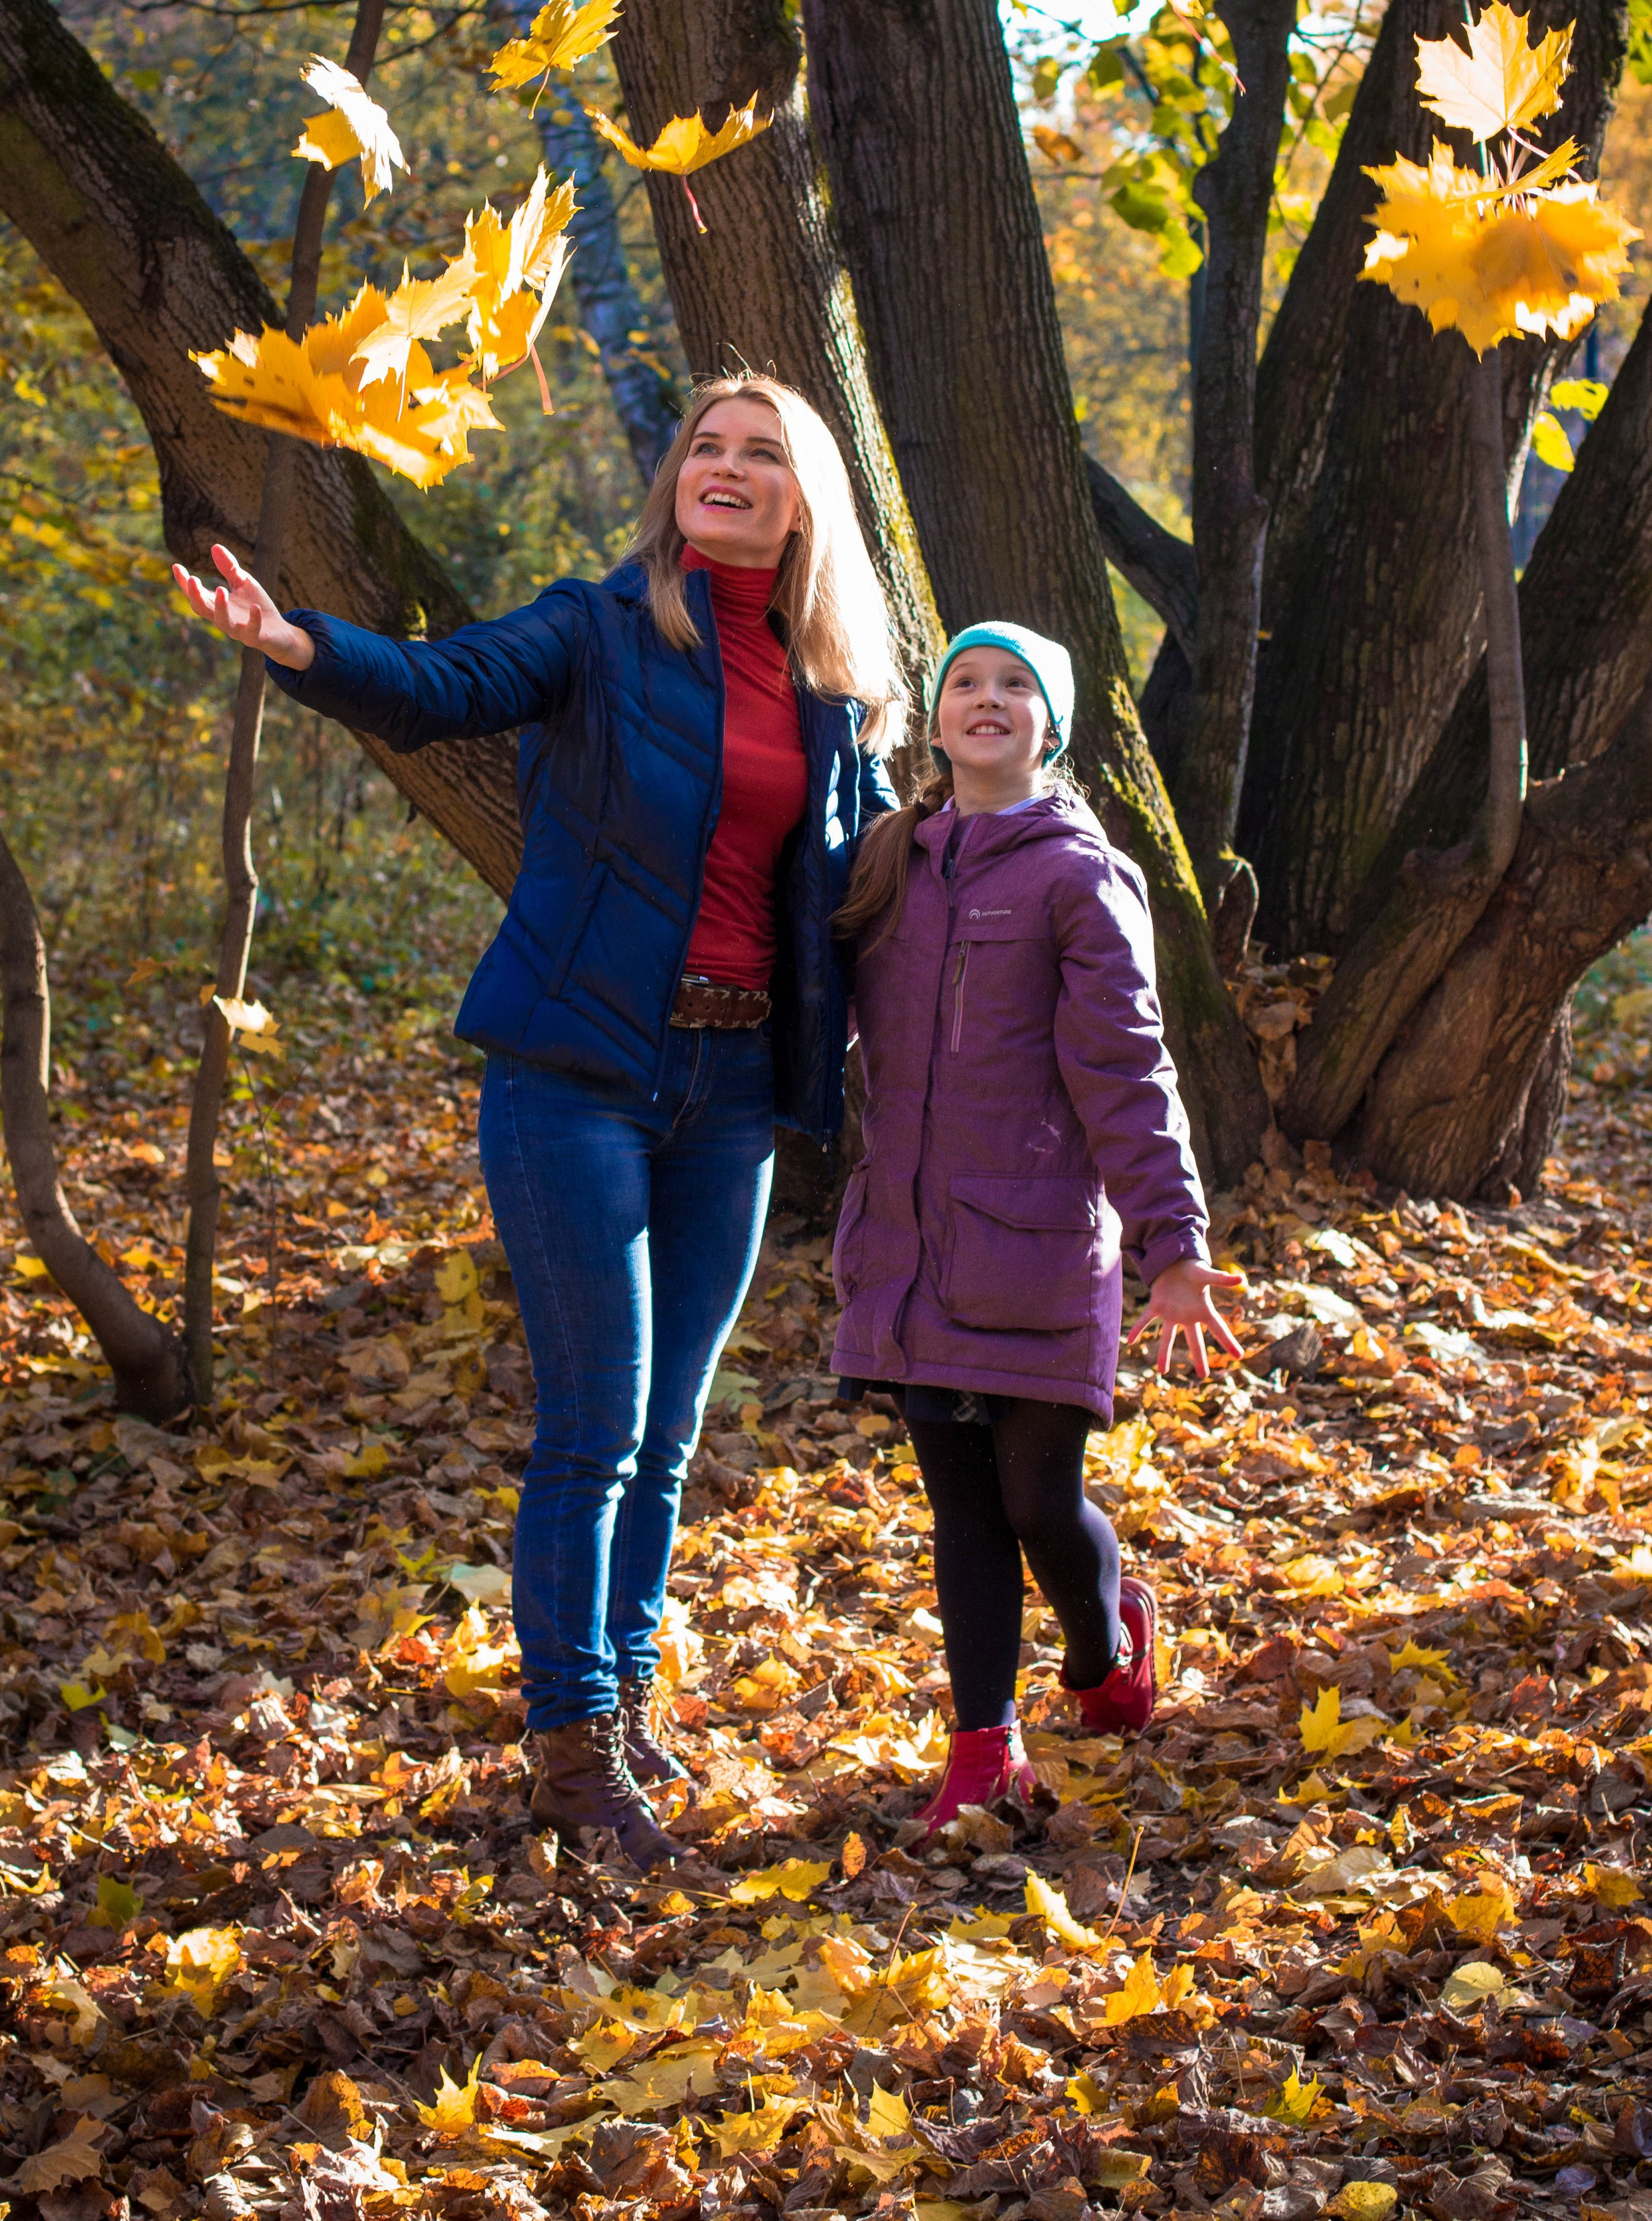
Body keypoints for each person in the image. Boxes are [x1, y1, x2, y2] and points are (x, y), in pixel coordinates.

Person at [172, 374, 902, 1870]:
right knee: (595, 1425)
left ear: (802, 497)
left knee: (675, 1432)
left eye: (761, 454)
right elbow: (440, 688)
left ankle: (624, 1707)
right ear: (674, 479)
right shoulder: (598, 630)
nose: (726, 467)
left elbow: (869, 886)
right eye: (705, 445)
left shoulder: (833, 690)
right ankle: (571, 1757)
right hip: (575, 1076)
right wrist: (294, 642)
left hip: (732, 1094)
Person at [829, 623, 1241, 1835]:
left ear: (1052, 729)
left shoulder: (1080, 874)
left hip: (1045, 1242)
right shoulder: (890, 861)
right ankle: (982, 1751)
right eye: (967, 682)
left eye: (1017, 688)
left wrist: (1172, 1243)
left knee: (1036, 1501)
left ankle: (1110, 1631)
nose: (988, 700)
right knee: (960, 1509)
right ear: (939, 717)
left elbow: (1127, 1068)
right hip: (908, 1245)